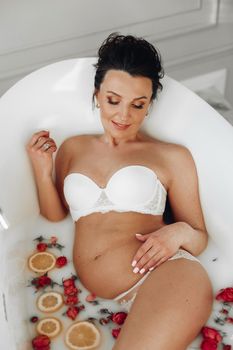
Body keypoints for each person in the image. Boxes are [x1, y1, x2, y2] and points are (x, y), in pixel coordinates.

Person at [26, 32, 213, 349]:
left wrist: (178, 232)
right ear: (97, 94)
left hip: (168, 277)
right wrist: (41, 167)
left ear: (149, 104)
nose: (124, 115)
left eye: (138, 105)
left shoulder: (171, 156)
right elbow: (55, 213)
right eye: (113, 100)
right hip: (105, 298)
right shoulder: (74, 148)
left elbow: (200, 237)